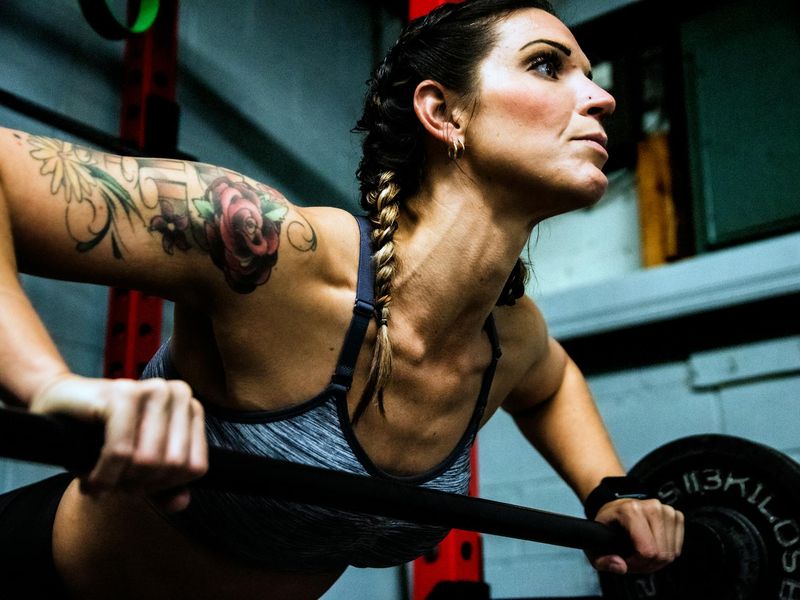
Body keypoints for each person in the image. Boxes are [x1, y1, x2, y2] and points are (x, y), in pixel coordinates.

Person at [0, 1, 684, 598]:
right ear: (443, 111)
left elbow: (551, 381)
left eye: (591, 77)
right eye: (547, 65)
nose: (600, 97)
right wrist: (50, 383)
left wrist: (610, 492)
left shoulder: (508, 339)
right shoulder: (275, 253)